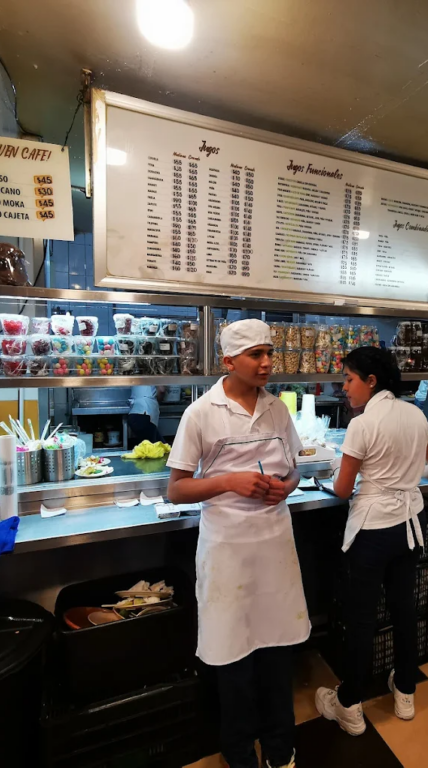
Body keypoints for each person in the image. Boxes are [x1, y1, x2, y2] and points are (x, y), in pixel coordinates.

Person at [166, 319, 308, 768]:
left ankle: (280, 750)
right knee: (234, 657)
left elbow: (294, 468)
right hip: (227, 549)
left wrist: (287, 486)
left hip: (274, 545)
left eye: (270, 352)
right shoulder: (201, 413)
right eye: (256, 355)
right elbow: (177, 489)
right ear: (228, 361)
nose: (268, 363)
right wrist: (229, 482)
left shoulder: (278, 410)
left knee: (277, 651)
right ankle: (240, 752)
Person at [315, 346, 428, 735]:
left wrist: (342, 479)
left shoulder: (362, 424)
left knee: (361, 618)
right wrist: (402, 473)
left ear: (371, 382)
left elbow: (342, 490)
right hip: (410, 525)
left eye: (349, 379)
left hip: (372, 532)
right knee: (404, 609)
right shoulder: (416, 414)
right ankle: (405, 692)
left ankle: (349, 704)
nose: (344, 388)